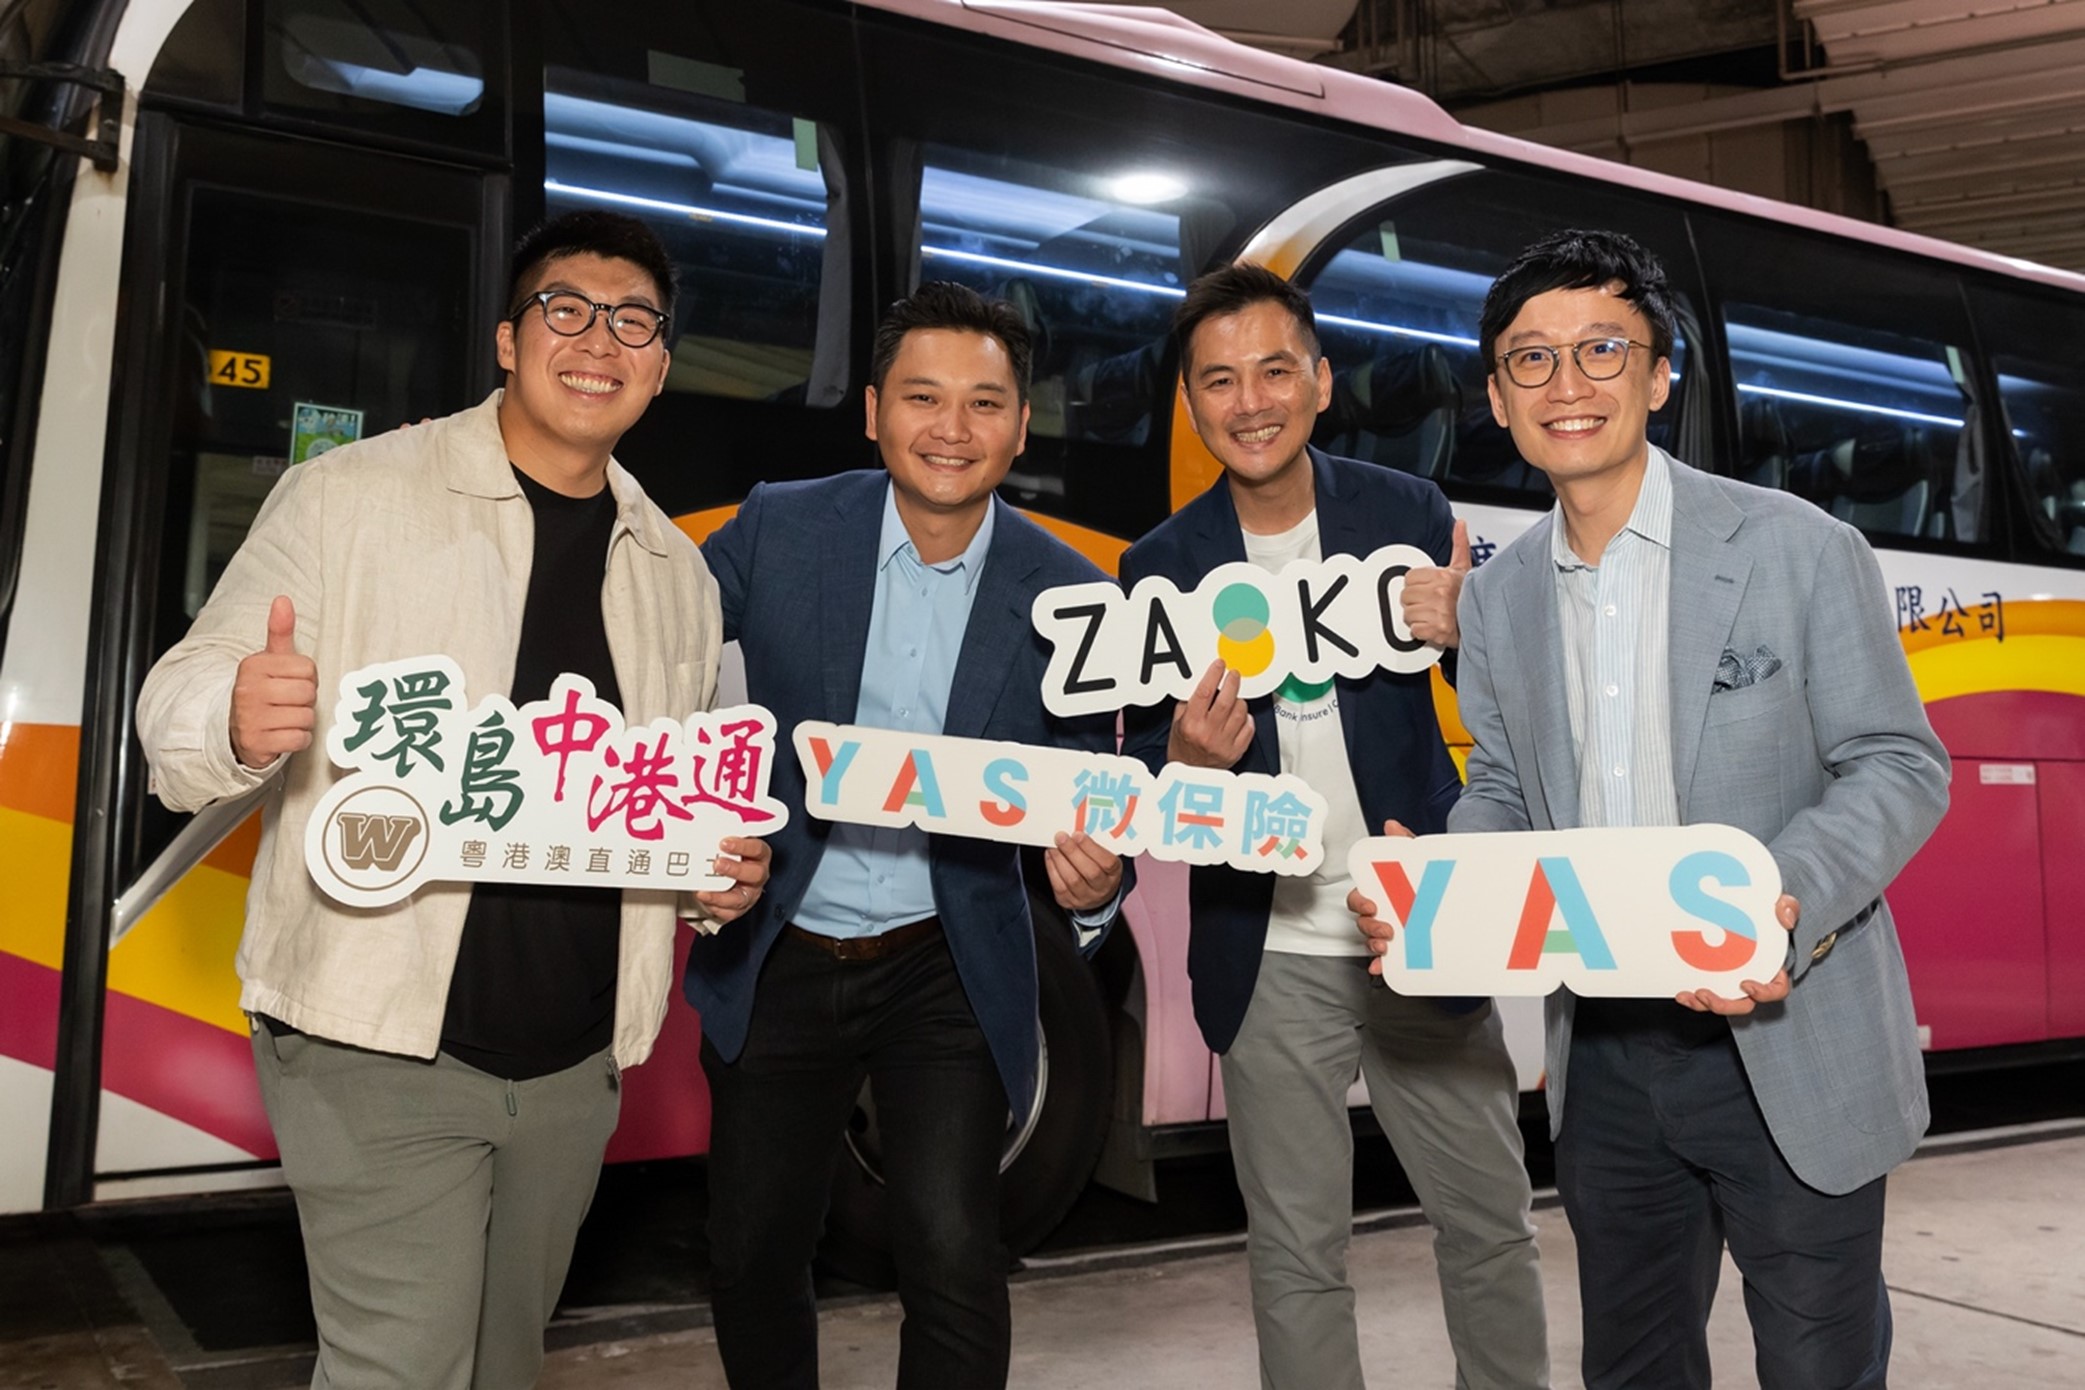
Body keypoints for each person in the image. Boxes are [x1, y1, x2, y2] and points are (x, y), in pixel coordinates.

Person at [135, 210, 770, 1389]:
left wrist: (713, 880)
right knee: (401, 1366)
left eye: (633, 320)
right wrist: (231, 715)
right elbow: (178, 698)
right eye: (565, 310)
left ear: (661, 364)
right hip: (374, 1032)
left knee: (502, 1366)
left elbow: (655, 805)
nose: (598, 339)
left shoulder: (673, 570)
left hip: (575, 1065)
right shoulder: (352, 499)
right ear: (506, 339)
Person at [1355, 228, 1949, 1389]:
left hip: (1787, 1037)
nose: (1566, 385)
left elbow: (1897, 762)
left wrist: (1780, 903)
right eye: (1532, 360)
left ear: (1659, 374)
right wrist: (1442, 897)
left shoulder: (1797, 547)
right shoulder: (1502, 600)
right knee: (1631, 1368)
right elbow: (1507, 792)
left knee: (1820, 1369)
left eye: (1601, 350)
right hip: (1610, 1059)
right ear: (1495, 395)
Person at [690, 281, 1129, 1390]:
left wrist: (1096, 887)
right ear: (875, 408)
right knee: (750, 1253)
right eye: (924, 397)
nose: (953, 428)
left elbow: (1104, 790)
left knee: (952, 1256)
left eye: (986, 403)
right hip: (781, 940)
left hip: (947, 950)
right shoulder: (783, 526)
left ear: (1022, 426)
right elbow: (654, 626)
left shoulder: (1071, 594)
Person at [1120, 263, 1548, 1390]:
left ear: (1318, 383)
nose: (1249, 400)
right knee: (1297, 1252)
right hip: (1269, 951)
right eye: (1219, 380)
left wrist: (1469, 630)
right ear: (1194, 402)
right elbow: (1152, 801)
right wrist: (1185, 763)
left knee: (1490, 1221)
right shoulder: (1157, 569)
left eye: (1274, 370)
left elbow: (1510, 711)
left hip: (1416, 922)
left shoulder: (1405, 513)